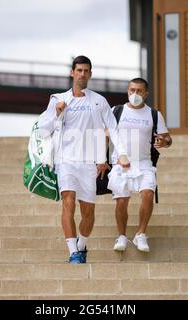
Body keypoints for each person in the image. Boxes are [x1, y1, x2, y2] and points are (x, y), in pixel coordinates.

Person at [38, 55, 130, 264]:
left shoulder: (99, 101)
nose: (82, 74)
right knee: (68, 202)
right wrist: (56, 112)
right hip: (66, 161)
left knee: (88, 214)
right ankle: (73, 252)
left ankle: (81, 244)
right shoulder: (58, 99)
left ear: (90, 74)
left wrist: (121, 154)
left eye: (86, 71)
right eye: (78, 70)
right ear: (72, 73)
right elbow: (44, 129)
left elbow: (112, 130)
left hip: (89, 164)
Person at [109, 78, 172, 252]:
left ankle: (140, 234)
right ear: (128, 91)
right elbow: (105, 134)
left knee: (148, 194)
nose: (134, 94)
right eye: (131, 90)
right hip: (120, 163)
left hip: (144, 163)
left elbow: (167, 138)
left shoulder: (154, 114)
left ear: (146, 94)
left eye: (138, 91)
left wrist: (164, 141)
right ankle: (121, 236)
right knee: (121, 201)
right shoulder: (117, 111)